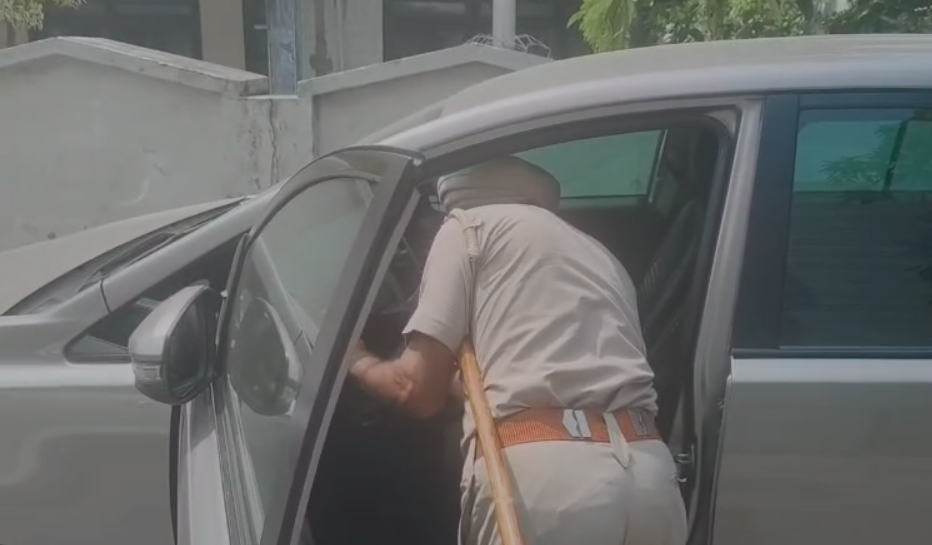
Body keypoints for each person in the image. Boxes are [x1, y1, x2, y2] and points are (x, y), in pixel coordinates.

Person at [345, 155, 688, 545]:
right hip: (649, 481)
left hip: (553, 490)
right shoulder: (601, 255)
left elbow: (415, 389)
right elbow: (547, 369)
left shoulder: (467, 227)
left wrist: (357, 360)